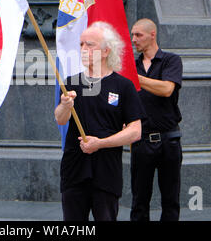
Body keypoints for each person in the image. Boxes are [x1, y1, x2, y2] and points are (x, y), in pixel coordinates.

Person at [55, 21, 146, 221]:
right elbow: (61, 120)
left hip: (106, 173)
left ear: (106, 51)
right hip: (74, 170)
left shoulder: (123, 86)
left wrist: (101, 144)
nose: (83, 50)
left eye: (90, 45)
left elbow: (135, 131)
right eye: (81, 45)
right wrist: (64, 106)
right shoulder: (71, 82)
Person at [130, 18, 183, 221]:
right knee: (139, 200)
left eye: (139, 35)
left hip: (169, 140)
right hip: (141, 140)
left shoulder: (171, 60)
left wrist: (134, 77)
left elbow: (167, 89)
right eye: (132, 35)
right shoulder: (132, 64)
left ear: (153, 35)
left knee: (170, 200)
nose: (134, 39)